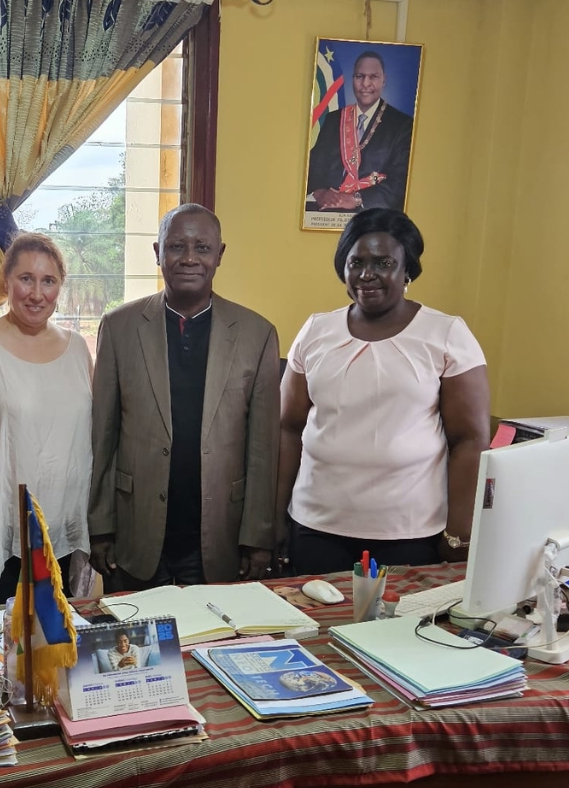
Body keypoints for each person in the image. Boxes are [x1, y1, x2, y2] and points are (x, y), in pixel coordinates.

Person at [277, 208, 491, 575]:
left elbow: (470, 441)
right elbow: (287, 428)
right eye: (356, 262)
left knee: (398, 614)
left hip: (410, 532)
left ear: (407, 270)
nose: (367, 274)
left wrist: (459, 533)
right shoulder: (316, 331)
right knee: (315, 612)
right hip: (315, 526)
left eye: (384, 263)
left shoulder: (445, 335)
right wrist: (274, 519)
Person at [88, 203, 280, 593]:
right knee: (136, 632)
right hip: (136, 528)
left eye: (202, 248)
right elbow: (103, 436)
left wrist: (258, 536)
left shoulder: (256, 334)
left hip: (220, 531)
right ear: (157, 252)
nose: (189, 258)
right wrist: (100, 526)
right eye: (176, 246)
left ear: (219, 254)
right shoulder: (119, 327)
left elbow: (263, 448)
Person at [0, 232, 95, 606]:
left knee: (61, 629)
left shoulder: (78, 349)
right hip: (4, 528)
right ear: (6, 281)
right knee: (8, 633)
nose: (37, 293)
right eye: (26, 278)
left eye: (49, 281)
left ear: (60, 287)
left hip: (66, 527)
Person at [306, 51, 414, 214]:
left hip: (372, 213)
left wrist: (356, 199)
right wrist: (320, 192)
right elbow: (315, 165)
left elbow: (400, 182)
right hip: (326, 211)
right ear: (353, 80)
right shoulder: (334, 119)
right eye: (359, 76)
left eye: (373, 77)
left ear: (384, 80)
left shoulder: (402, 125)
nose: (365, 83)